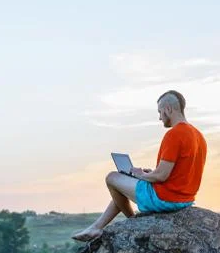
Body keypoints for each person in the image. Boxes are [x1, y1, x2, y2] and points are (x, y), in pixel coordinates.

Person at [72, 90, 207, 241]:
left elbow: (161, 176)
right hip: (185, 200)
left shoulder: (174, 134)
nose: (160, 117)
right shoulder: (198, 136)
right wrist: (150, 173)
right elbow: (177, 171)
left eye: (160, 112)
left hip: (165, 199)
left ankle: (133, 221)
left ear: (168, 109)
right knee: (121, 187)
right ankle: (95, 228)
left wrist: (140, 174)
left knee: (112, 178)